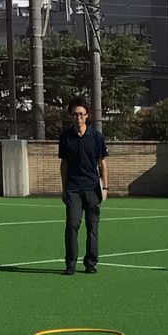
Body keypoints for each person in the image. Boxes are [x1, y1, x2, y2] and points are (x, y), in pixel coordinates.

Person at [58, 97, 108, 276]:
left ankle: (91, 263)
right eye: (74, 114)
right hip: (73, 189)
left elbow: (102, 164)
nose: (78, 118)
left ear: (87, 115)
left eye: (81, 114)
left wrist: (105, 188)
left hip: (93, 189)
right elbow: (63, 165)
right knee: (72, 224)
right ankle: (70, 264)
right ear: (70, 116)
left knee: (92, 227)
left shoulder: (96, 137)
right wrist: (64, 189)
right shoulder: (65, 138)